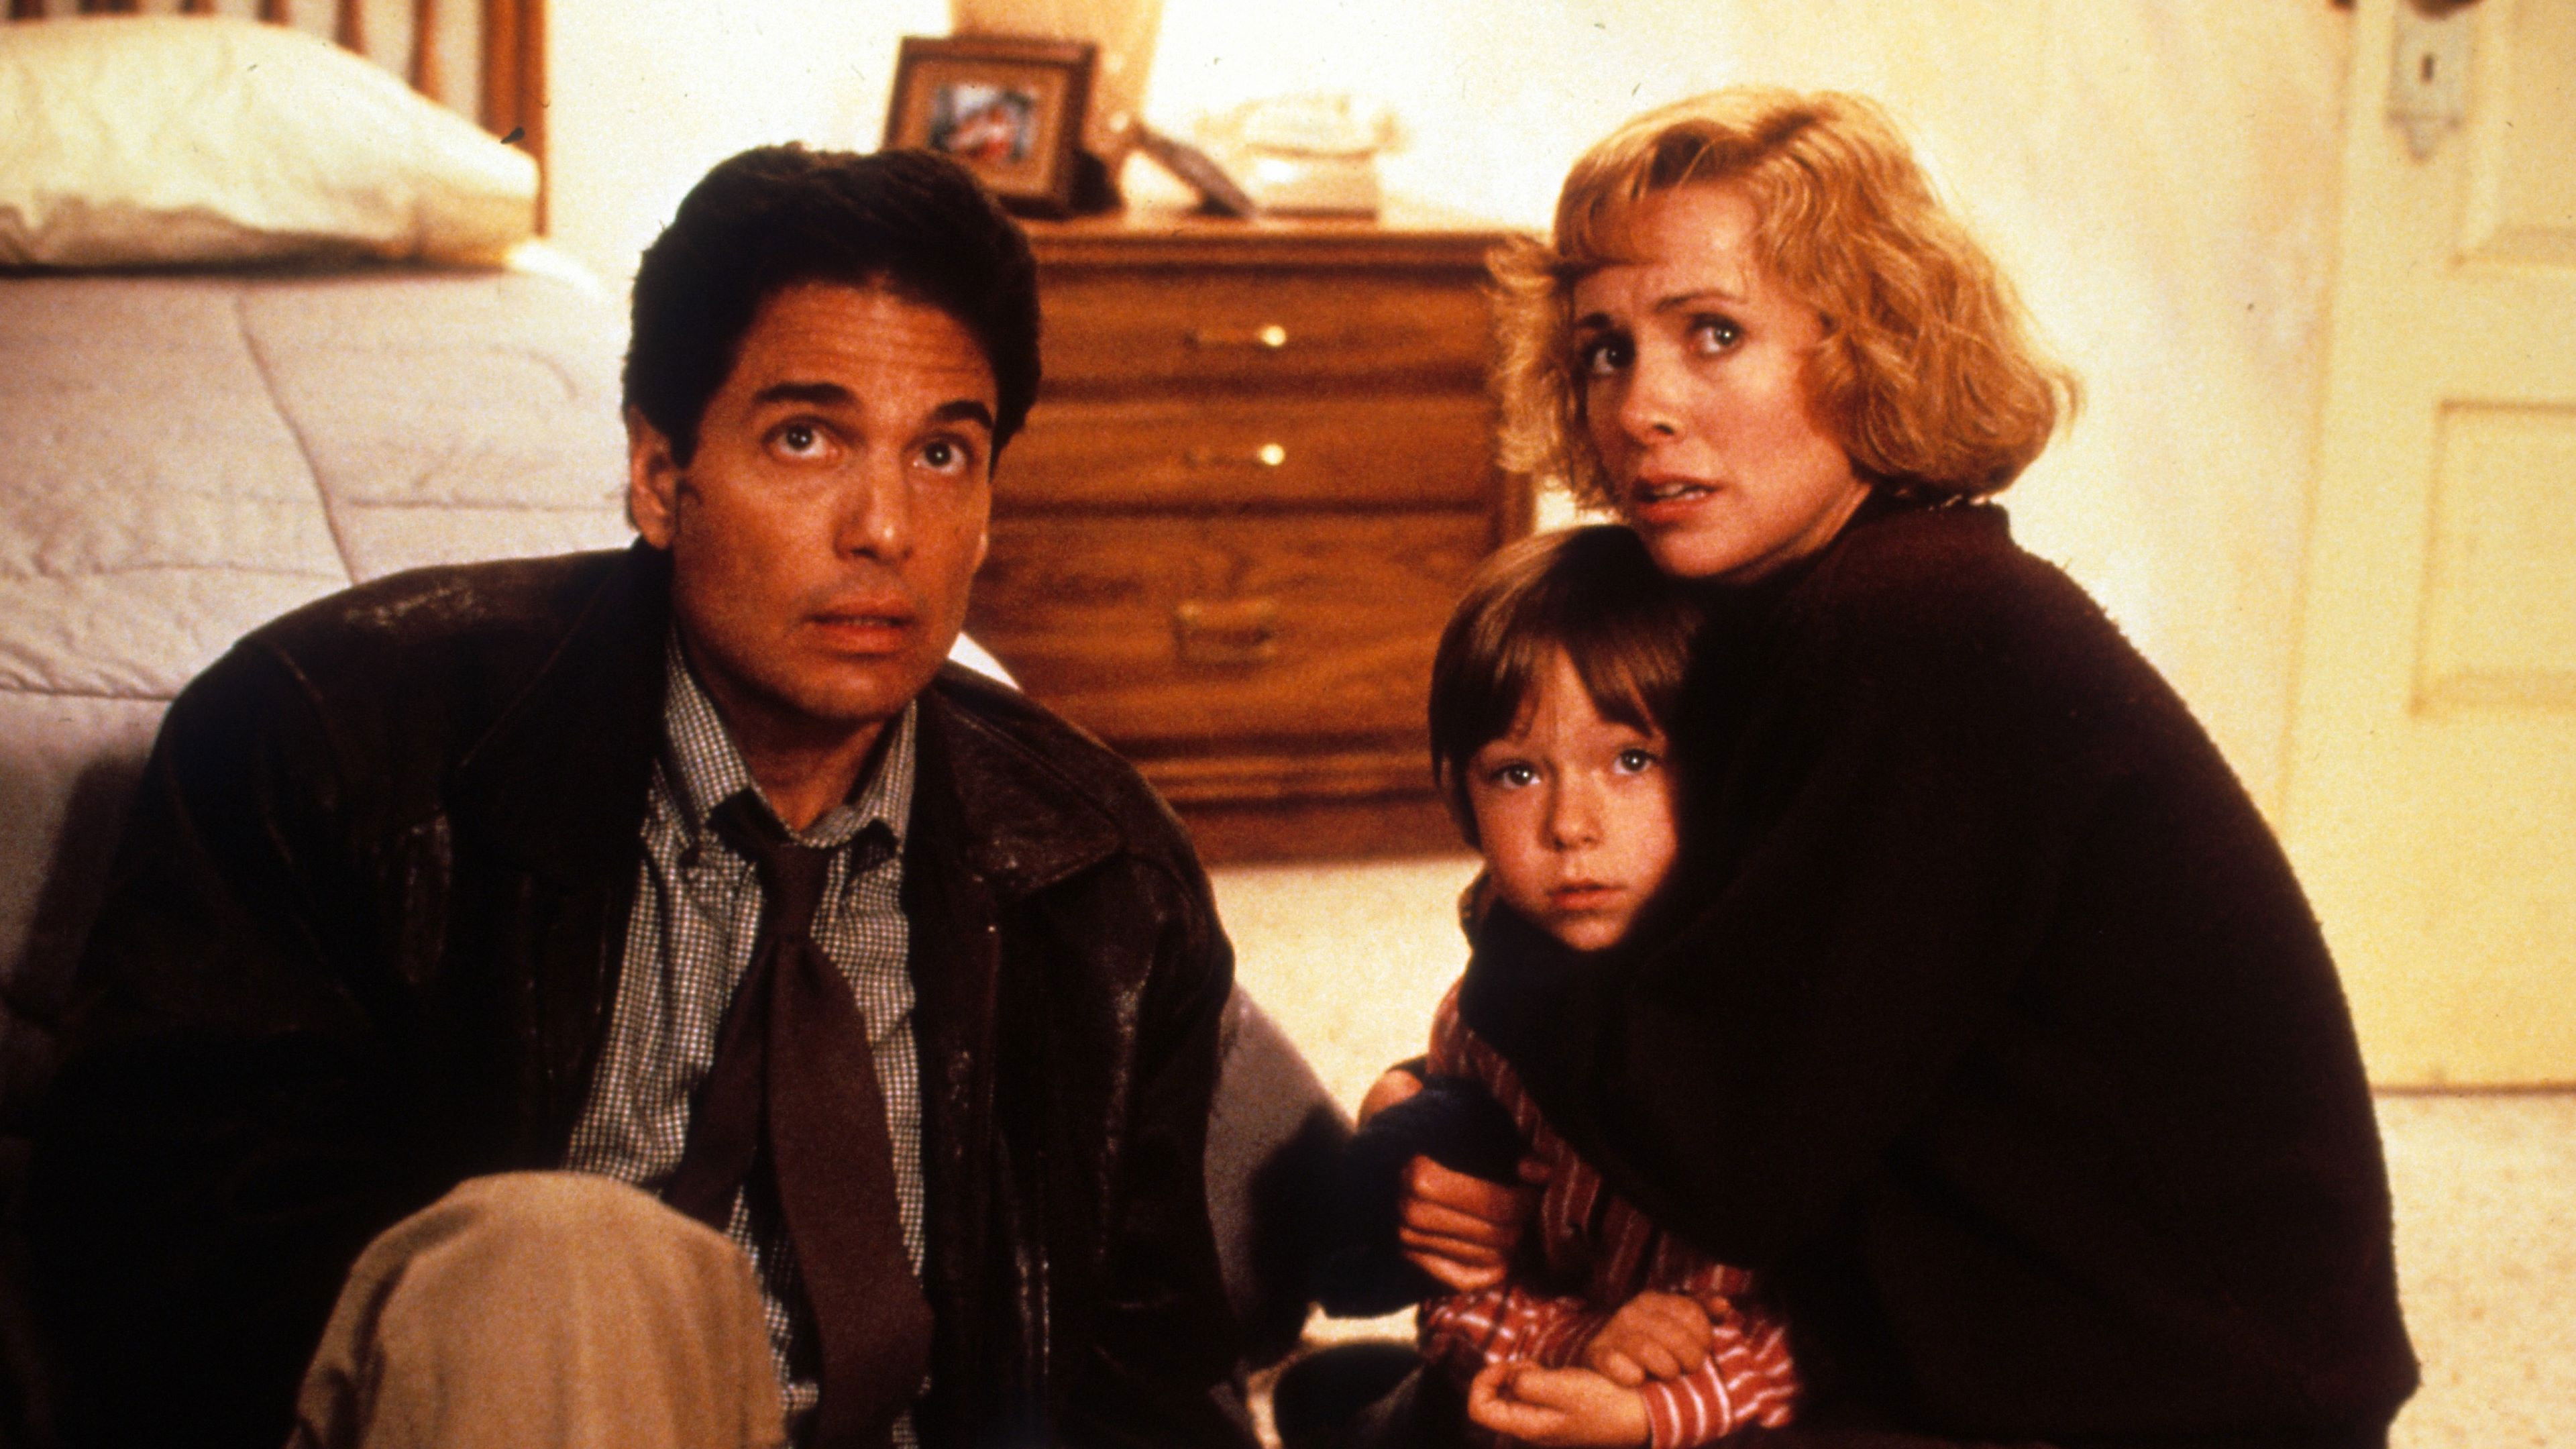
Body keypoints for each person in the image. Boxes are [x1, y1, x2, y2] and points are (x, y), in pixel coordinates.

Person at [27, 146, 1256, 1449]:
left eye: (944, 454)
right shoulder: (323, 747)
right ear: (662, 477)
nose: (886, 529)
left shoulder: (1105, 878)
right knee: (564, 1262)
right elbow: (163, 1291)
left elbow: (1149, 1381)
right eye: (806, 439)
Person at [1375, 89, 2417, 1448]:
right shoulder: (1804, 604)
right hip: (1980, 1308)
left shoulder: (1920, 631)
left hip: (2152, 1401)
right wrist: (1443, 1103)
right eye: (1605, 351)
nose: (1641, 408)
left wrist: (1488, 1003)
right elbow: (1693, 986)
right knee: (1404, 1406)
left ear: (1870, 349)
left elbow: (1716, 1141)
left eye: (1713, 334)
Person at [1316, 525, 1800, 1449]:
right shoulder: (1486, 1014)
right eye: (1518, 774)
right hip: (1540, 1387)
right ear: (1459, 797)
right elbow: (1455, 1295)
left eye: (1632, 761)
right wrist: (1576, 1343)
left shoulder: (1790, 1011)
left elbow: (1851, 1330)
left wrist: (1655, 1404)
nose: (1570, 826)